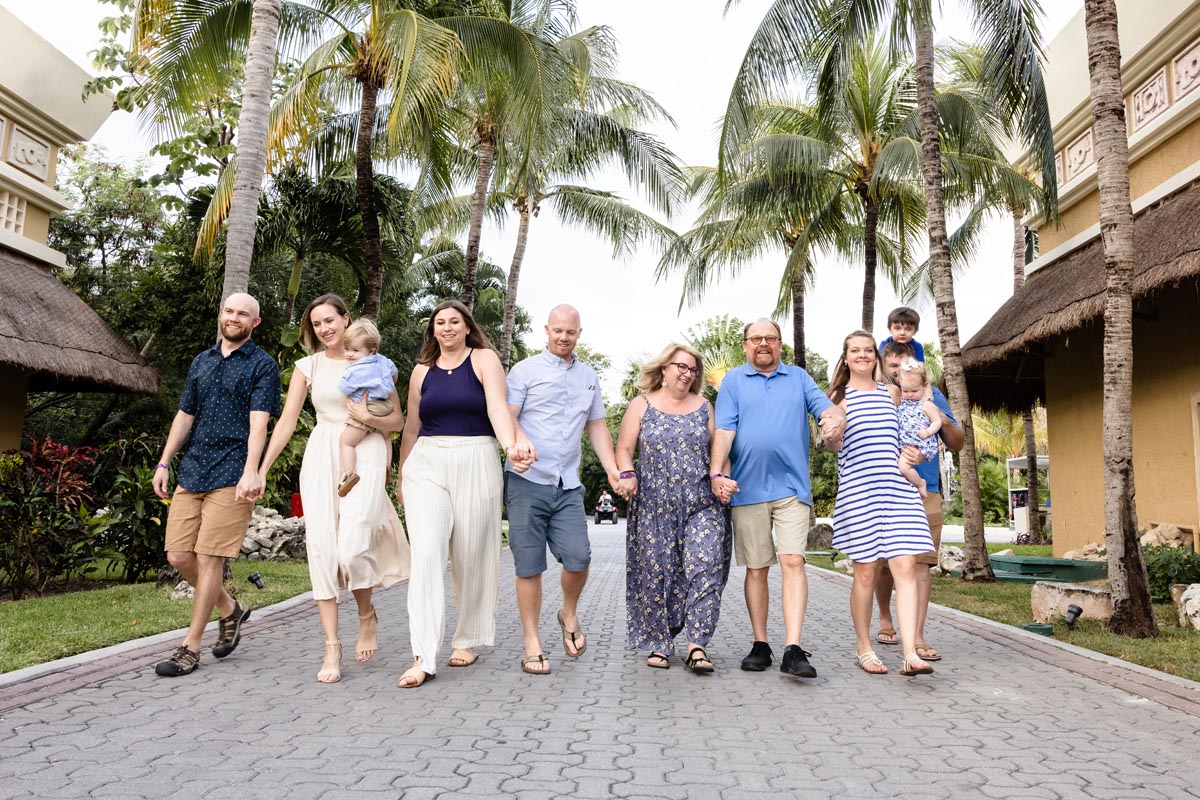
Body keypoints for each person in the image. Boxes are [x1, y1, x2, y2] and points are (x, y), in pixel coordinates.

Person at [258, 294, 409, 684]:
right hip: (323, 452)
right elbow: (288, 421)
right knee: (323, 548)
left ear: (346, 320)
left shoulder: (374, 362)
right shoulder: (307, 366)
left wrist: (364, 419)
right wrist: (261, 469)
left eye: (330, 320)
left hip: (368, 448)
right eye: (317, 324)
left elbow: (397, 421)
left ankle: (365, 613)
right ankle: (331, 646)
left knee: (354, 544)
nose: (324, 329)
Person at [396, 299, 531, 688]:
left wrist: (511, 447)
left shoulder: (485, 359)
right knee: (426, 556)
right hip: (427, 463)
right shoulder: (421, 371)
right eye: (440, 322)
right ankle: (423, 654)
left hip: (477, 456)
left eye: (454, 321)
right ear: (433, 330)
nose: (447, 328)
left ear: (467, 327)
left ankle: (468, 637)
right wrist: (403, 476)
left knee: (473, 553)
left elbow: (498, 410)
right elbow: (411, 427)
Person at [151, 293, 280, 677]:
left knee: (210, 558)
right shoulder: (202, 361)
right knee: (178, 556)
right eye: (229, 311)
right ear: (221, 314)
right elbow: (184, 415)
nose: (234, 317)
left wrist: (252, 470)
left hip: (233, 473)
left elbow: (260, 423)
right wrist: (164, 461)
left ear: (254, 323)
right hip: (193, 470)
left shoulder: (262, 365)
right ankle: (231, 610)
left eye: (243, 314)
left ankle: (190, 647)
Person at [709, 319, 846, 679]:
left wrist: (833, 421)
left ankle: (793, 648)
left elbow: (827, 409)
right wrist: (716, 475)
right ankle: (760, 643)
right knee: (756, 568)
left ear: (780, 344)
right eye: (756, 339)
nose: (763, 344)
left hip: (791, 488)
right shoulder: (734, 382)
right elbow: (724, 430)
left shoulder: (799, 378)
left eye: (770, 338)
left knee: (793, 562)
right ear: (745, 345)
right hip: (746, 489)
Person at [504, 305, 619, 675]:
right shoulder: (524, 371)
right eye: (557, 330)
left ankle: (568, 611)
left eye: (570, 332)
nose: (563, 337)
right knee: (529, 566)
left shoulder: (589, 377)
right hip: (527, 481)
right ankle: (532, 643)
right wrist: (516, 443)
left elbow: (597, 427)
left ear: (579, 333)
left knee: (579, 557)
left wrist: (613, 472)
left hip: (568, 484)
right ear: (546, 330)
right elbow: (507, 416)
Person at [617, 343, 732, 673]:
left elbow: (719, 452)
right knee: (656, 574)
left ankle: (697, 645)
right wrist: (626, 473)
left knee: (706, 566)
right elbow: (624, 448)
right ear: (664, 369)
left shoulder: (705, 407)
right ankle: (659, 642)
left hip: (701, 503)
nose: (687, 373)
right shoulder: (641, 406)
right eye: (681, 366)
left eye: (693, 369)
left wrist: (722, 478)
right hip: (653, 505)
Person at [828, 330, 935, 677]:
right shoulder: (838, 398)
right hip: (859, 493)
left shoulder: (892, 392)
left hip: (899, 489)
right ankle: (864, 648)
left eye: (868, 350)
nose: (862, 355)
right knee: (866, 572)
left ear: (876, 355)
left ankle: (909, 653)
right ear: (845, 358)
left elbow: (909, 428)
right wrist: (832, 434)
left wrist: (917, 452)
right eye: (855, 350)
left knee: (905, 568)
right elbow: (831, 445)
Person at [873, 340, 963, 661]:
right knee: (885, 563)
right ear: (886, 368)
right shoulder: (878, 396)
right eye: (894, 367)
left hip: (926, 488)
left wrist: (939, 417)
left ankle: (918, 634)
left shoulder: (930, 396)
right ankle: (885, 618)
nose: (900, 374)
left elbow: (957, 442)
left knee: (922, 562)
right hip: (884, 488)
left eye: (906, 366)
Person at [335, 319, 398, 497]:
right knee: (386, 435)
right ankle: (386, 465)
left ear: (371, 351)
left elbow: (343, 388)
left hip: (365, 409)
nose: (350, 355)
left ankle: (349, 474)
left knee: (346, 442)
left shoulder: (355, 370)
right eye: (347, 349)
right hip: (384, 405)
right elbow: (394, 375)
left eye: (355, 350)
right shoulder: (383, 362)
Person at [895, 358, 942, 498]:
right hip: (904, 443)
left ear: (924, 386)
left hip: (920, 443)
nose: (909, 394)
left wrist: (928, 432)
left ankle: (920, 483)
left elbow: (937, 421)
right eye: (905, 390)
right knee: (899, 468)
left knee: (903, 468)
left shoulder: (926, 405)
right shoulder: (901, 403)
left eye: (914, 391)